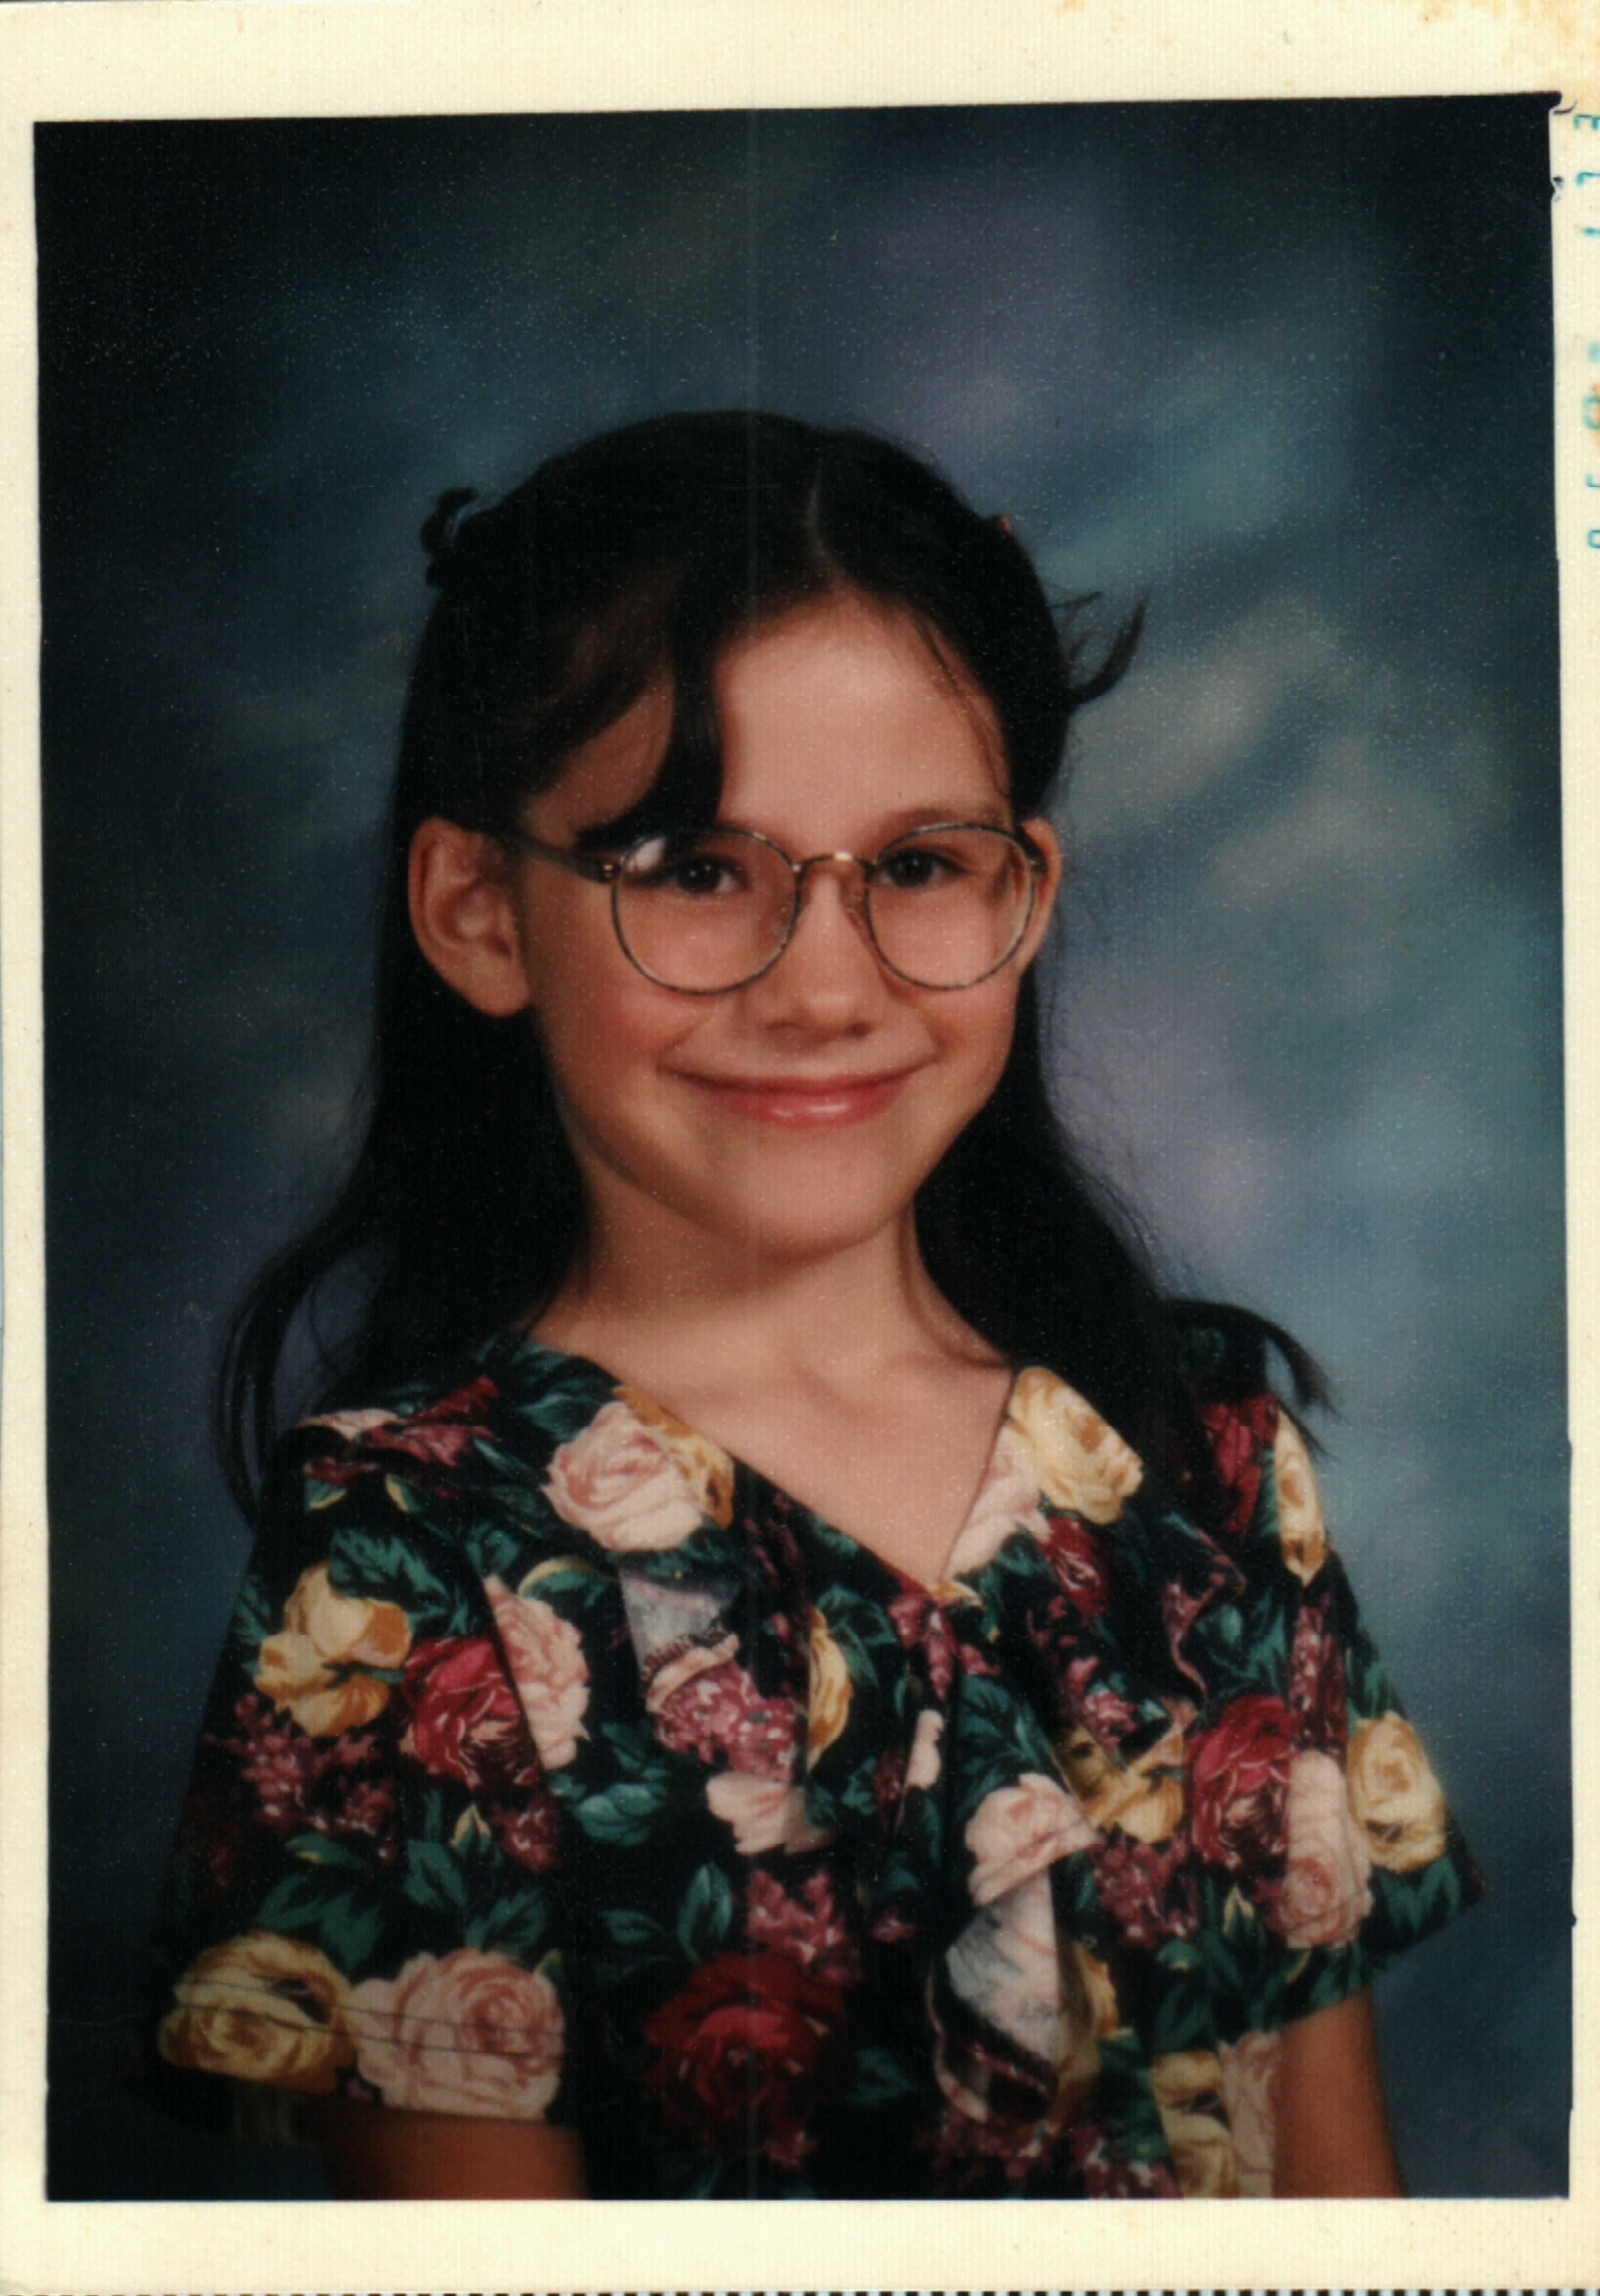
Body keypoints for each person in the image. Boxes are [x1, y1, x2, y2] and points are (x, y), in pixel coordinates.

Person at [149, 410, 1481, 2200]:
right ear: (479, 912)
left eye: (918, 866)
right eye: (700, 870)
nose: (826, 991)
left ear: (1026, 894)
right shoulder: (408, 1562)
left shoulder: (1210, 1466)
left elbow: (1339, 2200)